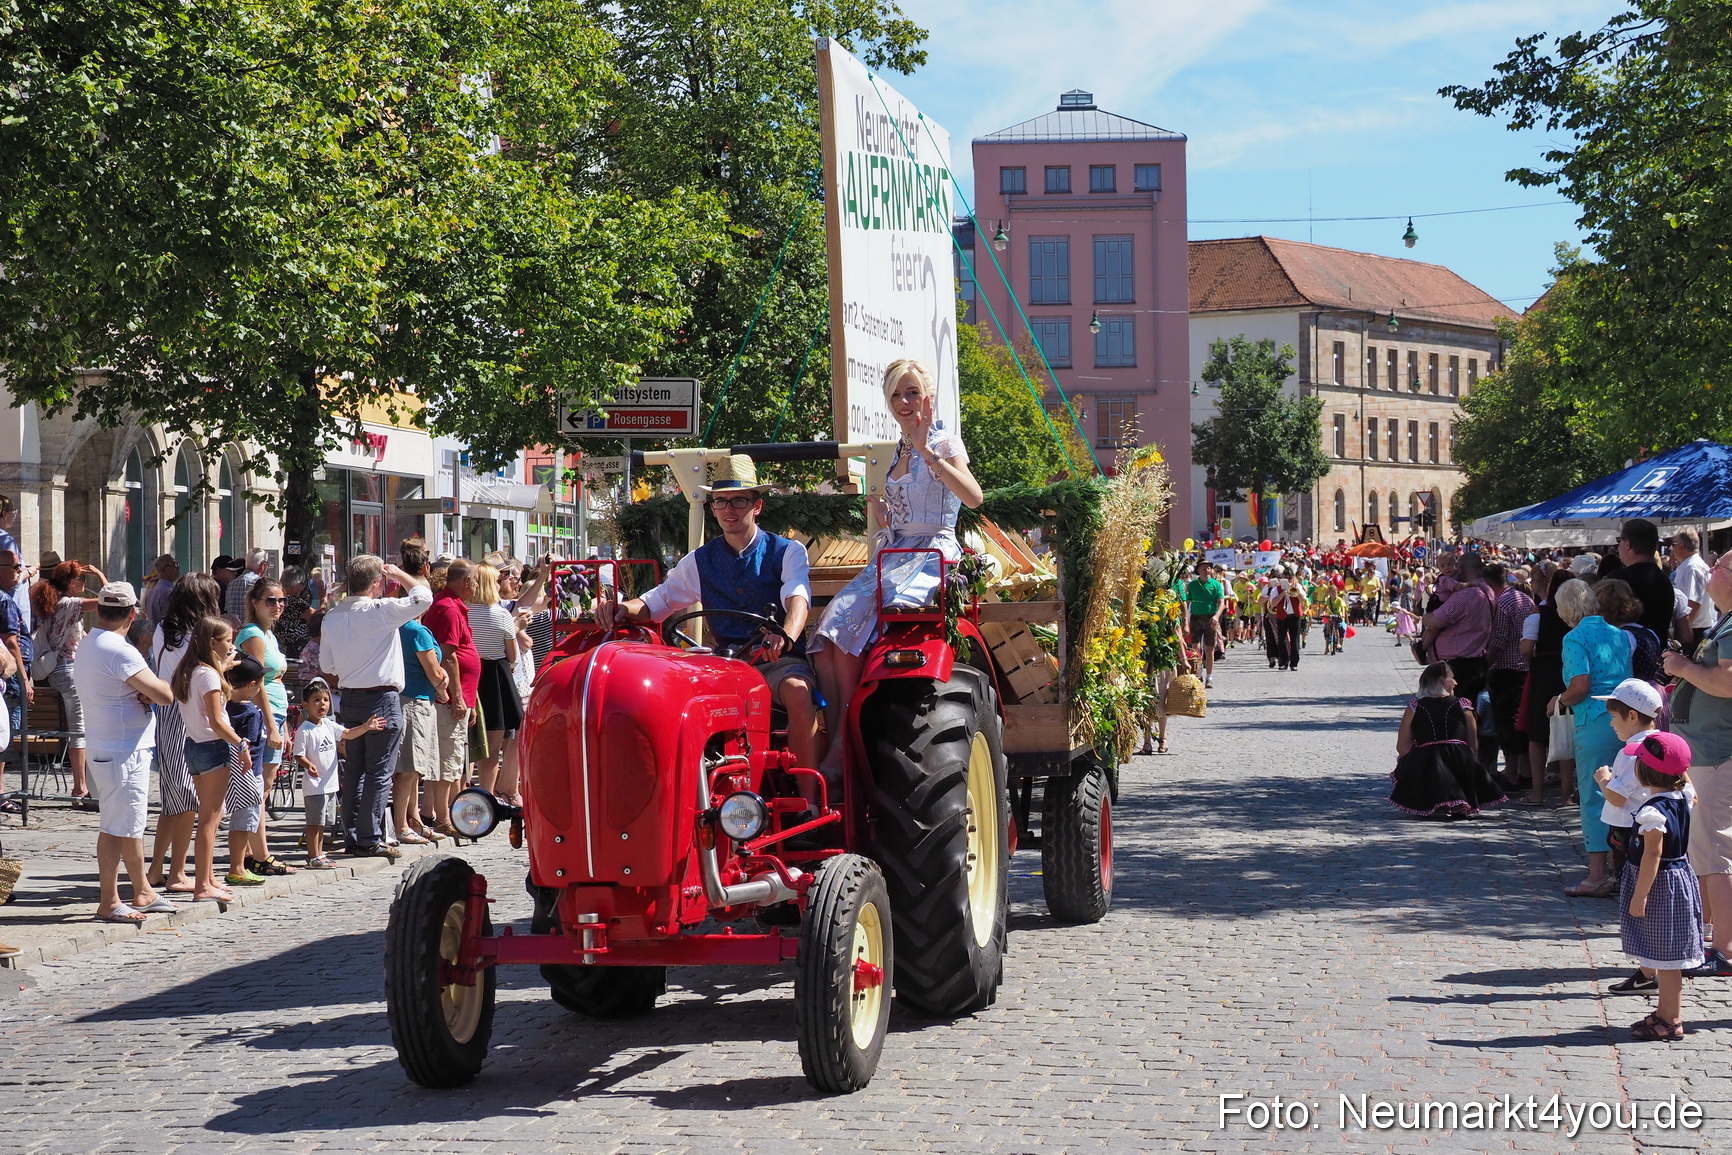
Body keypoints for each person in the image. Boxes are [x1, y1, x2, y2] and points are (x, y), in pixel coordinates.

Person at [602, 454, 825, 780]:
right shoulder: (699, 561)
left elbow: (798, 598)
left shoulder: (787, 551)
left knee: (797, 689)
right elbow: (657, 602)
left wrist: (786, 635)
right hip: (726, 667)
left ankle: (809, 802)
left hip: (777, 662)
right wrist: (620, 609)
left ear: (756, 506)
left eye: (738, 500)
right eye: (720, 502)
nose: (729, 510)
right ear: (713, 508)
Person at [808, 359, 981, 774]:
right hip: (897, 549)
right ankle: (838, 733)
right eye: (896, 396)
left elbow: (973, 497)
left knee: (851, 637)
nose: (904, 402)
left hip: (932, 553)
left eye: (912, 393)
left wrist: (927, 453)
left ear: (929, 397)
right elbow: (914, 503)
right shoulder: (901, 446)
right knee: (830, 633)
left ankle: (845, 741)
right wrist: (888, 515)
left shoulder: (941, 442)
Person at [74, 583, 177, 923]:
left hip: (109, 745)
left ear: (100, 609)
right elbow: (164, 693)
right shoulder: (120, 649)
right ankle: (110, 899)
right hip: (123, 749)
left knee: (128, 823)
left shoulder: (90, 642)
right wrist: (148, 692)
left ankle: (142, 890)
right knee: (116, 827)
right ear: (132, 614)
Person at [318, 555, 432, 861]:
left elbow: (327, 664)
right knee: (379, 772)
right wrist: (399, 574)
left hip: (351, 697)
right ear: (376, 583)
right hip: (380, 697)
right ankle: (369, 837)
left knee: (355, 770)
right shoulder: (379, 610)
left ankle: (355, 836)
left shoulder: (332, 616)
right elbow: (423, 598)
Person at [1604, 730, 1701, 1040]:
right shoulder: (1682, 795)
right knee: (1664, 956)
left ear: (1643, 771)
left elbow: (1653, 854)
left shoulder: (1652, 812)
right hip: (1678, 879)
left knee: (1668, 960)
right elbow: (1690, 787)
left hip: (1659, 885)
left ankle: (1671, 1019)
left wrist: (1640, 894)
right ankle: (1663, 1012)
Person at [1662, 548, 1732, 977]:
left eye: (1721, 565)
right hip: (1707, 754)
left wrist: (1685, 667)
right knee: (1705, 851)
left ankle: (1724, 949)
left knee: (1716, 854)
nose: (1712, 569)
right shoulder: (1725, 620)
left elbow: (1728, 682)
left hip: (1717, 755)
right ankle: (1713, 937)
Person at [1552, 577, 1633, 897]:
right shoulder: (1619, 635)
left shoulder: (1575, 638)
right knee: (1625, 795)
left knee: (1595, 795)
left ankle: (1597, 874)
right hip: (1626, 720)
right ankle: (1621, 869)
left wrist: (1559, 699)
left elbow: (1580, 685)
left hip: (1594, 720)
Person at [145, 573, 223, 894]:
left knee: (173, 799)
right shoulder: (196, 635)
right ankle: (177, 873)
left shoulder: (164, 628)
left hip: (167, 710)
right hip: (185, 712)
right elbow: (202, 676)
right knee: (188, 797)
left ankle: (155, 869)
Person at [1591, 679, 1666, 971]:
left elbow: (1618, 798)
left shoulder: (1630, 752)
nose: (1611, 724)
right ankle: (1652, 962)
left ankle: (1647, 964)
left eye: (1613, 717)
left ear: (1632, 716)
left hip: (1628, 832)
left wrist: (1603, 779)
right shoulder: (1661, 743)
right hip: (1650, 829)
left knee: (1635, 895)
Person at [172, 616, 245, 902]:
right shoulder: (208, 675)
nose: (231, 645)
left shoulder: (189, 670)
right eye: (227, 640)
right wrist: (241, 744)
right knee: (210, 820)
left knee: (208, 818)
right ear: (212, 642)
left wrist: (223, 667)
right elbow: (216, 721)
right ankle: (203, 885)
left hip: (193, 745)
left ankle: (208, 877)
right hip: (213, 747)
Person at [1389, 661, 1506, 817]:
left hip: (1427, 761)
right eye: (1452, 678)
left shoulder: (1415, 707)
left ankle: (1432, 799)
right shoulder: (1463, 706)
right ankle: (1459, 800)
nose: (1456, 682)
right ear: (1442, 681)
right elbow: (1473, 745)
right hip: (1460, 760)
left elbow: (1402, 747)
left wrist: (1416, 758)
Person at [32, 558, 105, 802]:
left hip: (56, 671)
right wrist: (101, 576)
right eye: (82, 579)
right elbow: (110, 601)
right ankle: (80, 786)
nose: (84, 583)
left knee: (79, 729)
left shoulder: (51, 604)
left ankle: (83, 783)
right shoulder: (69, 604)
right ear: (72, 583)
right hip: (68, 671)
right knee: (79, 731)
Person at [294, 679, 384, 868]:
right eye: (317, 700)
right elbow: (299, 754)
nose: (322, 704)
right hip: (315, 786)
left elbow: (348, 733)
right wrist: (308, 765)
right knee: (314, 823)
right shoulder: (305, 730)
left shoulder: (328, 725)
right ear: (306, 705)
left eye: (326, 700)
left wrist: (366, 727)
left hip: (329, 784)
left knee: (323, 823)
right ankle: (313, 856)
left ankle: (319, 853)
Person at [422, 559, 479, 837]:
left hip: (461, 695)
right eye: (475, 580)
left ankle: (444, 813)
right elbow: (449, 656)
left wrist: (471, 698)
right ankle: (444, 817)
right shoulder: (447, 608)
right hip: (449, 699)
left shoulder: (452, 605)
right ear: (466, 581)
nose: (477, 586)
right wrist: (457, 696)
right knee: (448, 759)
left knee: (452, 759)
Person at [237, 579, 290, 872]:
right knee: (258, 788)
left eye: (281, 601)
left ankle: (251, 851)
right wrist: (271, 724)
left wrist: (279, 725)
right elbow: (256, 683)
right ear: (255, 603)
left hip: (276, 714)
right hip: (259, 716)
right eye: (270, 600)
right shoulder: (253, 634)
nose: (277, 606)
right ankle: (259, 854)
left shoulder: (270, 635)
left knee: (265, 787)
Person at [465, 562, 522, 795]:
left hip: (468, 674)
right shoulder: (501, 614)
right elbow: (512, 655)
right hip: (495, 678)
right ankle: (487, 798)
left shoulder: (464, 611)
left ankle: (460, 795)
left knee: (465, 746)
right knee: (492, 749)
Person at [396, 599, 448, 844]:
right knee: (409, 768)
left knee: (415, 769)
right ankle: (402, 825)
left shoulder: (400, 627)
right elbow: (435, 671)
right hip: (414, 701)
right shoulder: (414, 630)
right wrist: (445, 688)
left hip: (417, 699)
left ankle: (414, 819)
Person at [1483, 563, 1534, 789]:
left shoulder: (1502, 603)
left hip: (1507, 670)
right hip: (1526, 668)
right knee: (1521, 720)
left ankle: (1512, 773)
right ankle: (1525, 771)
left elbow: (1498, 641)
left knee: (1507, 723)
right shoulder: (1524, 598)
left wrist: (1485, 667)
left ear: (1489, 583)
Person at [221, 654, 270, 887]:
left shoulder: (225, 707)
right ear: (252, 685)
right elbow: (248, 746)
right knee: (244, 822)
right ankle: (238, 868)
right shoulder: (250, 712)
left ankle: (238, 864)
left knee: (238, 821)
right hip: (250, 774)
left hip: (230, 771)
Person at [1421, 552, 1494, 705]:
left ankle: (1421, 648)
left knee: (1458, 710)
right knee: (1469, 709)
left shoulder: (1467, 594)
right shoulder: (1488, 590)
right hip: (1477, 660)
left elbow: (1435, 621)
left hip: (1460, 664)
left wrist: (1424, 617)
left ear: (1459, 568)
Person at [1614, 519, 1677, 640]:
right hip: (1659, 653)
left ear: (1627, 545)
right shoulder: (1665, 580)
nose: (1618, 546)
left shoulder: (1616, 581)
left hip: (1624, 654)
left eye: (1619, 540)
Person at [0, 549, 30, 742]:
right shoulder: (4, 601)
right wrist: (24, 678)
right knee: (6, 733)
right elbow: (11, 642)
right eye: (15, 566)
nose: (20, 570)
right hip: (8, 675)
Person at [1183, 560, 1225, 689]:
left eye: (1208, 568)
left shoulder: (1216, 585)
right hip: (1196, 617)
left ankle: (1209, 676)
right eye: (1203, 568)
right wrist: (1185, 619)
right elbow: (1187, 602)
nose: (1206, 571)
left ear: (1211, 570)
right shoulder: (1192, 585)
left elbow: (1222, 603)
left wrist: (1216, 616)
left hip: (1210, 618)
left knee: (1209, 648)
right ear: (1198, 570)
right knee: (1195, 646)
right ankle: (1198, 672)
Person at [1671, 529, 1714, 650]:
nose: (1672, 549)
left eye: (1673, 545)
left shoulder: (1692, 568)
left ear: (1681, 546)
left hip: (1694, 632)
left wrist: (1684, 633)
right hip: (1694, 630)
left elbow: (1693, 602)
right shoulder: (1691, 565)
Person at [274, 566, 313, 669]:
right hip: (297, 652)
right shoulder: (296, 603)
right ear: (294, 585)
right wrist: (323, 599)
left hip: (280, 650)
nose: (304, 587)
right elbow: (319, 617)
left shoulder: (277, 601)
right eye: (302, 584)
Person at [224, 548, 269, 620]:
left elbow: (227, 609)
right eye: (267, 564)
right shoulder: (260, 584)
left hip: (234, 629)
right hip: (253, 628)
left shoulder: (231, 584)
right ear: (263, 565)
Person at [141, 555, 179, 631]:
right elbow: (172, 622)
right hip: (167, 638)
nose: (178, 568)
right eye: (174, 565)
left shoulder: (153, 591)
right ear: (163, 570)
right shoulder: (167, 592)